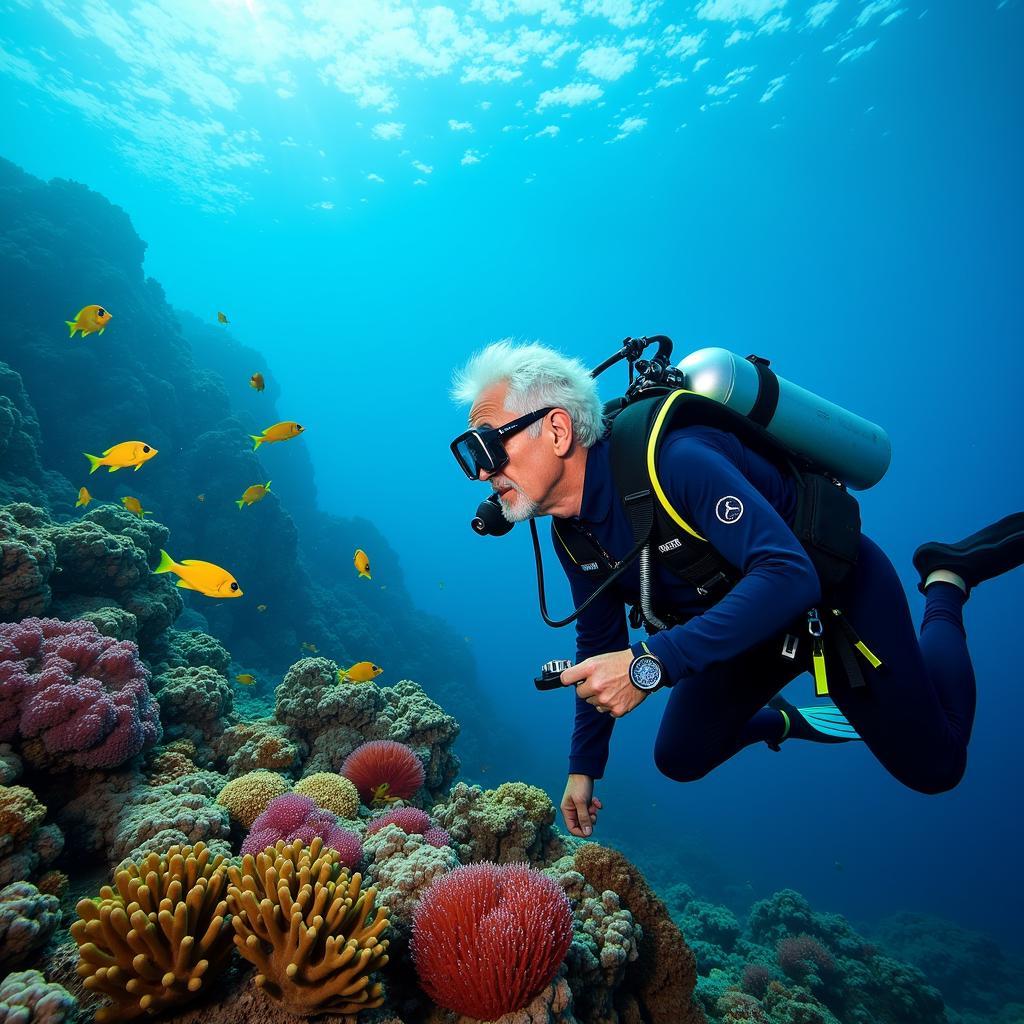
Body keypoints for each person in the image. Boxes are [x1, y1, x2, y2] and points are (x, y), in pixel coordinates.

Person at [449, 341, 1024, 840]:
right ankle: (783, 719)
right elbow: (598, 642)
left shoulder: (675, 461)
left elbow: (789, 574)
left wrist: (650, 664)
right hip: (748, 628)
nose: (480, 472)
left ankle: (949, 580)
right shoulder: (572, 535)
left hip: (833, 596)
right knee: (679, 757)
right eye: (470, 454)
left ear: (556, 429)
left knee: (938, 767)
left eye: (486, 446)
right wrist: (584, 763)